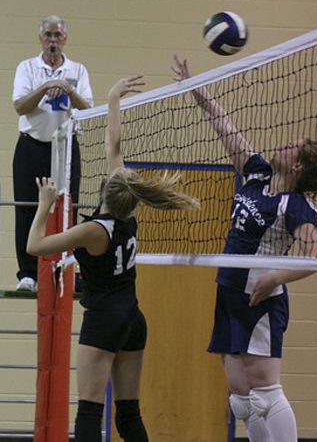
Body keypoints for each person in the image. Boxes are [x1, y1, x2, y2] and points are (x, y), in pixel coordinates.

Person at [171, 55, 317, 442]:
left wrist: (276, 276)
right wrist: (195, 87)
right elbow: (224, 126)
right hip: (229, 291)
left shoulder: (295, 207)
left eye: (293, 147)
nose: (285, 143)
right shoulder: (256, 173)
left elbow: (316, 258)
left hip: (261, 299)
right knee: (241, 396)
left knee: (266, 390)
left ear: (299, 167)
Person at [27, 76, 199, 442]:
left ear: (106, 188)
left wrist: (44, 204)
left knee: (89, 414)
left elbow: (35, 246)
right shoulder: (127, 219)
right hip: (134, 321)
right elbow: (113, 146)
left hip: (104, 321)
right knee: (129, 416)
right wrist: (112, 100)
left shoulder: (94, 231)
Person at [12, 15, 93, 292]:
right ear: (40, 38)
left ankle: (65, 267)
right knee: (26, 208)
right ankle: (27, 274)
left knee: (68, 208)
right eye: (48, 35)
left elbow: (88, 110)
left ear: (65, 39)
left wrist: (69, 90)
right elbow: (20, 106)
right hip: (32, 145)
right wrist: (45, 87)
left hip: (65, 149)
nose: (53, 41)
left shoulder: (78, 70)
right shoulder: (27, 67)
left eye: (57, 35)